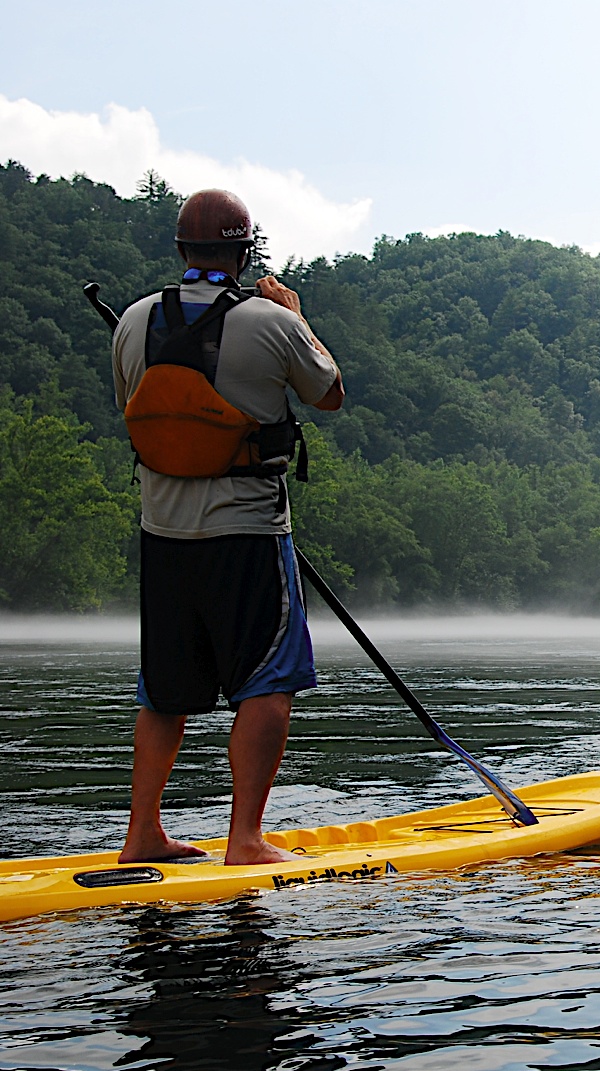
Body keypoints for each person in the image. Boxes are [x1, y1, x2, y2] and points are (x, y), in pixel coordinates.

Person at [111, 189, 344, 866]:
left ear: (182, 249)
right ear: (245, 252)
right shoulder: (271, 321)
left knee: (164, 690)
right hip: (248, 533)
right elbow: (329, 392)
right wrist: (297, 317)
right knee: (268, 681)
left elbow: (134, 412)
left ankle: (142, 834)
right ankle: (245, 839)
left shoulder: (133, 321)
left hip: (163, 533)